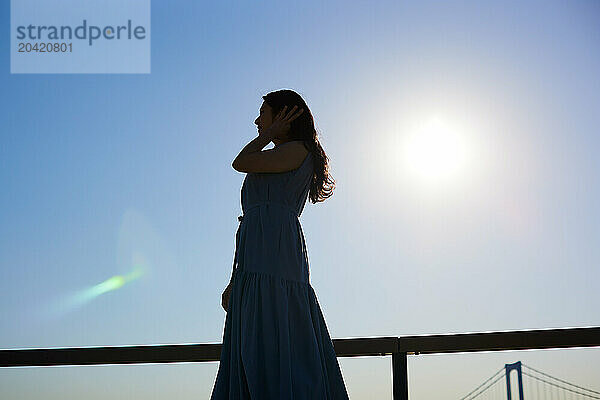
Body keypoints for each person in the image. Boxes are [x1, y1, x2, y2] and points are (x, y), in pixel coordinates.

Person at [210, 89, 350, 399]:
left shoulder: (297, 150)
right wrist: (234, 280)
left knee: (275, 320)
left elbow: (241, 161)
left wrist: (269, 135)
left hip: (276, 249)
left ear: (285, 118)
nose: (258, 121)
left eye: (265, 115)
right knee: (254, 331)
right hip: (256, 251)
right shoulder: (278, 155)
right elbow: (249, 221)